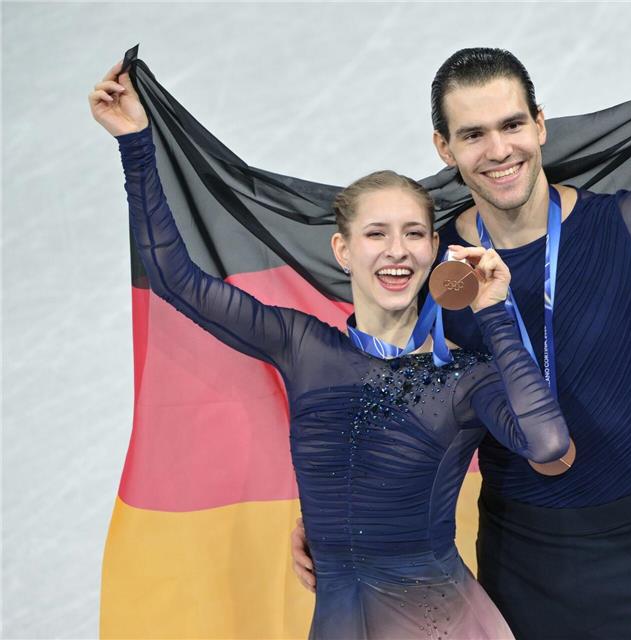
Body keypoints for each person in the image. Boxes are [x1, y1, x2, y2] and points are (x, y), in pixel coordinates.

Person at [286, 26, 631, 639]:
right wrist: (337, 517)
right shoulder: (433, 268)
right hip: (521, 559)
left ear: (540, 124)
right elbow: (373, 391)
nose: (499, 149)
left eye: (511, 125)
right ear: (444, 149)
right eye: (473, 135)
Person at [90, 61, 572, 639]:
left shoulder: (465, 378)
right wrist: (135, 145)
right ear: (343, 250)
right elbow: (175, 279)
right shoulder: (302, 345)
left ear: (434, 250)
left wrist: (493, 308)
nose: (396, 252)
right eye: (376, 234)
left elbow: (548, 444)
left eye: (414, 234)